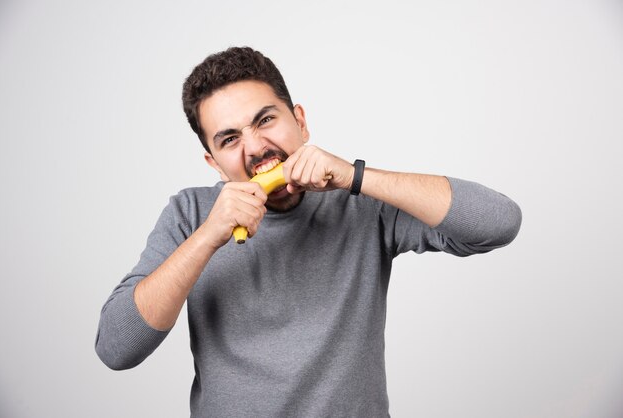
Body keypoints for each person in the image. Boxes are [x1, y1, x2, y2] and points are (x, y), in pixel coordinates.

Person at [96, 46, 522, 417]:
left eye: (265, 120)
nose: (256, 147)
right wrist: (208, 236)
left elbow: (499, 223)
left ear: (300, 121)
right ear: (213, 163)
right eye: (229, 139)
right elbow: (117, 349)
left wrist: (354, 176)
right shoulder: (190, 214)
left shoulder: (359, 202)